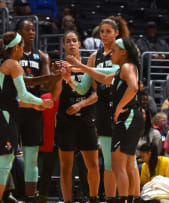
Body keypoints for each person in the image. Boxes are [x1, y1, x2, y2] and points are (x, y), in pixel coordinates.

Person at [65, 37, 145, 202]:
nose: (110, 54)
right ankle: (132, 198)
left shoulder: (128, 66)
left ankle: (124, 199)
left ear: (124, 52)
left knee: (119, 165)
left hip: (127, 117)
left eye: (114, 50)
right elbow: (101, 77)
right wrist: (77, 70)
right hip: (129, 118)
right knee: (128, 164)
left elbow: (134, 87)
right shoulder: (119, 70)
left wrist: (118, 107)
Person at [0, 31, 53, 202]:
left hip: (0, 114)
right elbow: (23, 94)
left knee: (5, 163)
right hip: (5, 117)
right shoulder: (13, 64)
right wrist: (41, 101)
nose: (23, 51)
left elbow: (12, 99)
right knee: (4, 164)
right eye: (22, 47)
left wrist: (33, 105)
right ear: (16, 47)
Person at [54, 31, 100, 203]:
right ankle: (67, 201)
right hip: (66, 122)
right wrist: (57, 77)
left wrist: (81, 104)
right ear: (64, 46)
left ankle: (94, 199)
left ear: (79, 44)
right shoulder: (59, 67)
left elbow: (97, 94)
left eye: (74, 40)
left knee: (93, 165)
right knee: (66, 167)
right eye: (68, 41)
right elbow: (54, 94)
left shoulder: (88, 66)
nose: (72, 44)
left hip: (86, 120)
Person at [16, 19, 51, 201]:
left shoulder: (42, 56)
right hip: (14, 108)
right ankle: (6, 194)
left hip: (33, 109)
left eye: (33, 29)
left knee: (31, 157)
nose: (31, 32)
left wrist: (53, 76)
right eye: (26, 29)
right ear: (18, 32)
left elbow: (45, 84)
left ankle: (30, 196)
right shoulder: (11, 56)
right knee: (7, 156)